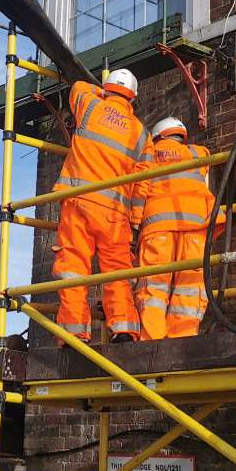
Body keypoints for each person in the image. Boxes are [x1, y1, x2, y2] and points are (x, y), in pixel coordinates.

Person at [51, 68, 147, 343]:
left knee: (73, 266)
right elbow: (143, 181)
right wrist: (136, 217)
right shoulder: (141, 133)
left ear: (107, 88)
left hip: (80, 200)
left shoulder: (90, 104)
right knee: (117, 271)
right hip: (116, 213)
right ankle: (124, 329)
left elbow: (78, 85)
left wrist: (100, 93)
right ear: (134, 97)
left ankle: (75, 332)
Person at [131, 117, 213, 340]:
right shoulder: (199, 154)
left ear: (157, 136)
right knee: (190, 287)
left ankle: (152, 342)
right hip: (195, 229)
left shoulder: (149, 153)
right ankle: (181, 342)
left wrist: (134, 226)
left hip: (158, 230)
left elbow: (139, 191)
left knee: (154, 288)